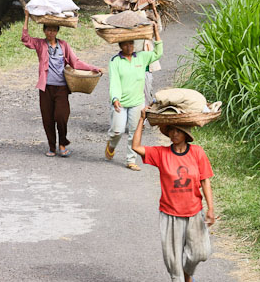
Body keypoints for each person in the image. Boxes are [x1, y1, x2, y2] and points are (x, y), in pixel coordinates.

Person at [132, 108, 216, 282]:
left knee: (200, 253)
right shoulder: (161, 154)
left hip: (194, 211)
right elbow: (136, 147)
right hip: (170, 212)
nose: (173, 134)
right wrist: (142, 120)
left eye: (177, 131)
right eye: (171, 130)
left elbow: (205, 181)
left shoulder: (197, 153)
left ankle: (188, 274)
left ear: (186, 134)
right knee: (172, 256)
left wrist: (211, 209)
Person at [22, 10, 102, 157]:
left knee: (61, 116)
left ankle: (63, 143)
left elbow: (75, 62)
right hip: (45, 88)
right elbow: (25, 39)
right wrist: (27, 17)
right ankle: (52, 147)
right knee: (47, 118)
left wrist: (94, 68)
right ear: (44, 30)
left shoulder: (63, 45)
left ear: (57, 31)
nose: (51, 32)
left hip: (62, 88)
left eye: (53, 30)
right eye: (48, 29)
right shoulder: (40, 44)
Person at [105, 23, 162, 170]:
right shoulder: (115, 61)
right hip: (120, 102)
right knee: (117, 131)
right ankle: (111, 145)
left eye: (131, 43)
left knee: (133, 131)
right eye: (125, 44)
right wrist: (115, 98)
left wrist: (156, 34)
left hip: (137, 102)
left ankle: (131, 160)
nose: (129, 47)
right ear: (120, 45)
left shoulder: (141, 57)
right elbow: (115, 82)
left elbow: (158, 53)